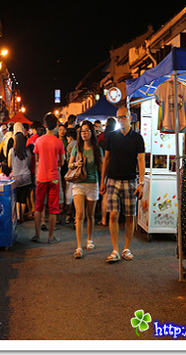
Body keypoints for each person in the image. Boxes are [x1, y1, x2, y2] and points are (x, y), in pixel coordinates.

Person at [100, 107, 145, 262]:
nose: (121, 120)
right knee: (113, 214)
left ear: (130, 118)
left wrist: (141, 183)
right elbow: (106, 159)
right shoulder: (112, 137)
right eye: (118, 117)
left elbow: (141, 161)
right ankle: (115, 249)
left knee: (130, 217)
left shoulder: (137, 138)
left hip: (131, 180)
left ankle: (126, 248)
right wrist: (102, 180)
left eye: (123, 117)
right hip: (112, 179)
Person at [70, 120, 103, 259]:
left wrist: (103, 184)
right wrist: (75, 164)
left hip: (92, 184)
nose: (84, 133)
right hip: (78, 184)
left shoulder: (97, 149)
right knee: (79, 215)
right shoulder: (77, 148)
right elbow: (69, 165)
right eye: (82, 131)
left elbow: (101, 169)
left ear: (92, 132)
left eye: (87, 130)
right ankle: (78, 247)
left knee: (90, 214)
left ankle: (89, 239)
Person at [31, 112, 64, 244]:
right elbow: (62, 162)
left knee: (38, 206)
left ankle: (37, 234)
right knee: (53, 208)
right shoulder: (59, 142)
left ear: (45, 125)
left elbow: (37, 159)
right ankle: (50, 237)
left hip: (41, 177)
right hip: (54, 178)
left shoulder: (39, 141)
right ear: (56, 125)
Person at [8, 132, 33, 223]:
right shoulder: (27, 151)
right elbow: (29, 164)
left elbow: (9, 164)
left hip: (16, 177)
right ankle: (22, 216)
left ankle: (18, 217)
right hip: (26, 177)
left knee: (17, 198)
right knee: (23, 198)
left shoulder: (12, 151)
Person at [98, 116, 116, 225]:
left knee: (104, 195)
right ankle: (113, 219)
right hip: (115, 169)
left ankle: (104, 219)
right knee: (115, 196)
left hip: (104, 170)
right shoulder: (117, 137)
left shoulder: (101, 138)